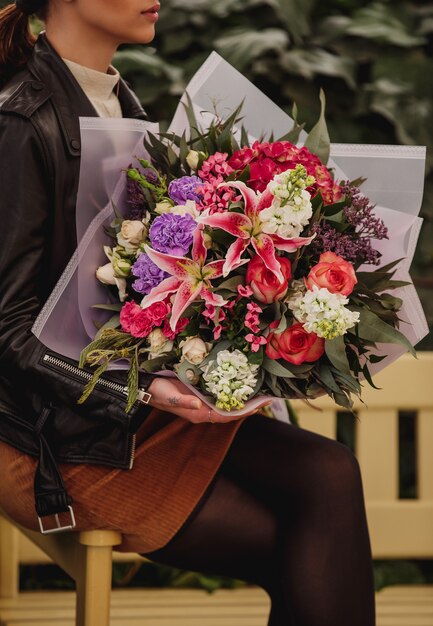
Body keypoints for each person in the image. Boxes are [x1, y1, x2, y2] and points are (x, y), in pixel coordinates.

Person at [0, 1, 376, 624]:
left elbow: (127, 290)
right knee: (312, 539)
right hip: (49, 440)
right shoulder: (21, 119)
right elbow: (8, 330)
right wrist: (145, 387)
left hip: (125, 415)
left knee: (330, 473)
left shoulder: (123, 104)